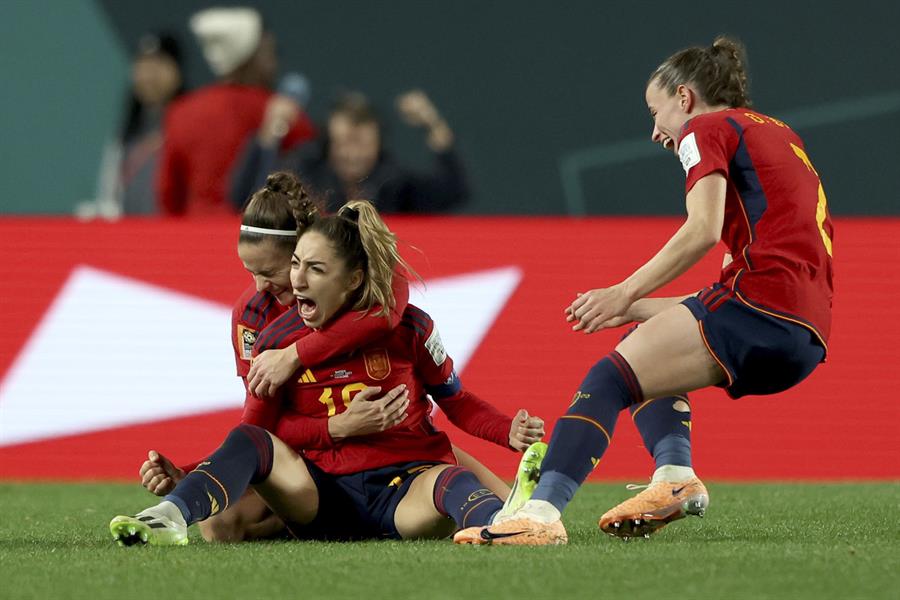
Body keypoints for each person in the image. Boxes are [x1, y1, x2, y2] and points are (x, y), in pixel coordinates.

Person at [456, 36, 834, 545]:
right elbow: (729, 293)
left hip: (761, 310)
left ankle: (540, 515)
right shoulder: (779, 134)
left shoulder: (706, 127)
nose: (656, 132)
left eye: (656, 112)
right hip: (804, 335)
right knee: (646, 332)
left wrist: (621, 290)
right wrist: (636, 306)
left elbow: (700, 230)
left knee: (608, 379)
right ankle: (674, 478)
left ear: (685, 98)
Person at [110, 193, 545, 545]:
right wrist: (337, 427)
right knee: (242, 466)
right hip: (320, 494)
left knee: (452, 480)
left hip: (402, 486)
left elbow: (457, 400)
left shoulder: (407, 324)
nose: (294, 281)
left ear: (353, 279)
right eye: (296, 265)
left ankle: (507, 526)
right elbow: (259, 433)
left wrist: (507, 431)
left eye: (314, 269)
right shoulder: (272, 340)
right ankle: (169, 516)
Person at [157, 7, 315, 216]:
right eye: (269, 52)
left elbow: (168, 194)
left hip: (193, 235)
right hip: (259, 239)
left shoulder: (181, 111)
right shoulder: (281, 112)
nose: (274, 63)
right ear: (251, 56)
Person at [230, 90, 468, 214]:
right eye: (344, 142)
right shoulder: (303, 176)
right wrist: (269, 136)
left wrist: (433, 124)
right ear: (329, 144)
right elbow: (245, 199)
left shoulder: (393, 181)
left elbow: (453, 191)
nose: (353, 153)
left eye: (364, 143)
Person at [79, 33, 185, 218]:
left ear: (176, 70)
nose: (149, 75)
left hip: (174, 232)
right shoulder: (127, 132)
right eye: (142, 65)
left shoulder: (190, 125)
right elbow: (109, 194)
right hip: (131, 234)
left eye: (158, 64)